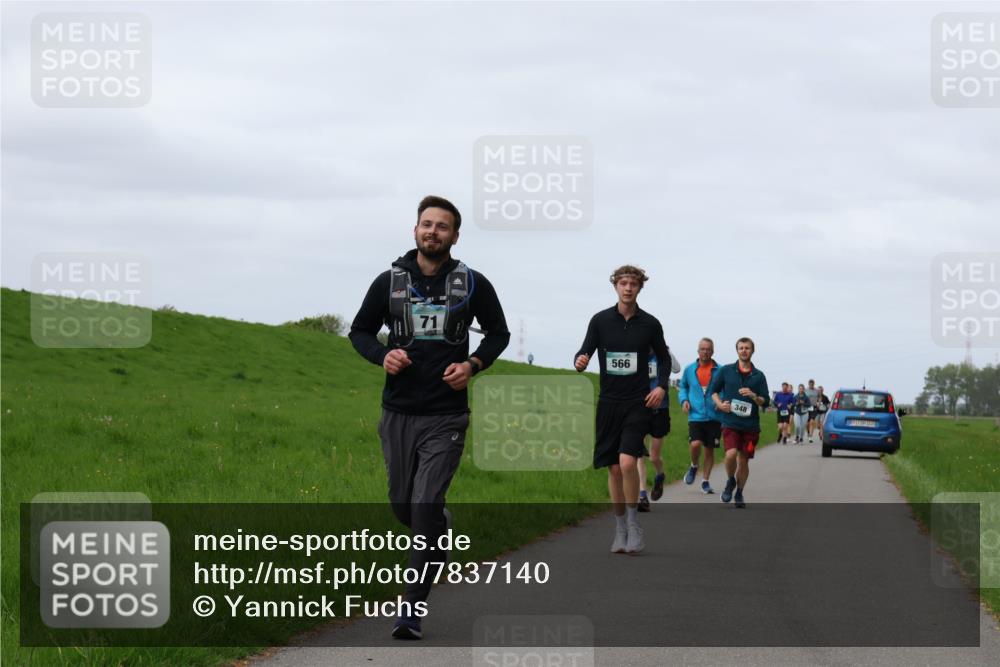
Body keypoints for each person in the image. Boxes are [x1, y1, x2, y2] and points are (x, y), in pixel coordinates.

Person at [349, 195, 510, 640]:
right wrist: (382, 356)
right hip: (398, 412)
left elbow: (499, 333)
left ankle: (410, 609)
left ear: (454, 236)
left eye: (442, 226)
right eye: (426, 224)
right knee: (405, 507)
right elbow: (359, 331)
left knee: (421, 509)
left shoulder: (473, 284)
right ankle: (441, 527)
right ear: (415, 230)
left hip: (446, 417)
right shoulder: (389, 282)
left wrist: (473, 365)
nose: (432, 232)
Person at [575, 265, 671, 553]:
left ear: (640, 288)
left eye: (633, 284)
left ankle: (633, 524)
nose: (628, 288)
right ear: (615, 286)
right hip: (608, 404)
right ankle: (619, 528)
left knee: (628, 463)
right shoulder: (600, 321)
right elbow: (585, 351)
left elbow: (664, 360)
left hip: (638, 403)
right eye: (623, 283)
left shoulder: (650, 324)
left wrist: (661, 386)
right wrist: (580, 361)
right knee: (615, 470)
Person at [709, 337, 770, 509]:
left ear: (753, 351)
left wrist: (753, 395)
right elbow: (713, 391)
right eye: (741, 348)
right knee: (730, 455)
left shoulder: (759, 376)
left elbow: (765, 402)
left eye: (747, 348)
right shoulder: (727, 371)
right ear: (737, 350)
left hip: (751, 427)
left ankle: (739, 493)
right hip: (730, 423)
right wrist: (720, 404)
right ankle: (730, 481)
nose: (744, 350)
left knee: (743, 460)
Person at [677, 338, 722, 494]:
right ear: (698, 351)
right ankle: (694, 466)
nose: (705, 352)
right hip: (695, 415)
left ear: (712, 351)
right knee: (695, 444)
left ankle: (705, 481)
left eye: (708, 349)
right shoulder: (689, 370)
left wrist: (721, 402)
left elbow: (725, 389)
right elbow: (683, 387)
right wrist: (684, 400)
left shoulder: (720, 370)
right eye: (702, 349)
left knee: (709, 450)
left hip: (714, 416)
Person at [638, 348, 681, 510]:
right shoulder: (636, 350)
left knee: (654, 457)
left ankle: (659, 475)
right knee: (638, 453)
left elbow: (677, 369)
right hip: (639, 407)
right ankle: (642, 495)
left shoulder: (662, 352)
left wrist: (667, 351)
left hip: (659, 409)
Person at [805, 379, 820, 443]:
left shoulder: (817, 390)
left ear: (814, 384)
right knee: (807, 423)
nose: (811, 385)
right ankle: (808, 433)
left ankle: (810, 436)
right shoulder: (805, 390)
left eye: (812, 384)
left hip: (814, 407)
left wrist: (818, 402)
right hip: (807, 407)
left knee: (812, 421)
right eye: (810, 384)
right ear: (808, 384)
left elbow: (819, 397)